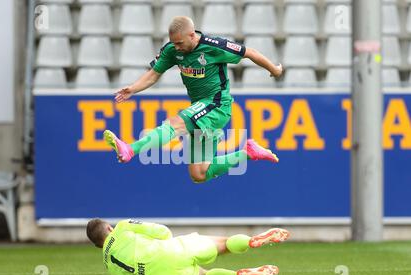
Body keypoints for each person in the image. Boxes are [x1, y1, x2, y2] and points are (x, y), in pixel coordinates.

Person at [104, 16, 283, 183]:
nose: (177, 47)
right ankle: (248, 152)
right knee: (199, 173)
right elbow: (153, 74)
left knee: (175, 123)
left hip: (217, 105)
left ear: (192, 35)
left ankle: (131, 149)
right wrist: (132, 89)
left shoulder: (214, 46)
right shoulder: (172, 50)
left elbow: (249, 52)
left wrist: (274, 70)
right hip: (201, 109)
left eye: (180, 43)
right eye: (174, 43)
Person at [86, 218, 290, 275]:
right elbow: (162, 231)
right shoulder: (121, 227)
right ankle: (252, 240)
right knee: (225, 244)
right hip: (173, 250)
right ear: (109, 228)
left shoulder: (110, 270)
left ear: (98, 246)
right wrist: (164, 241)